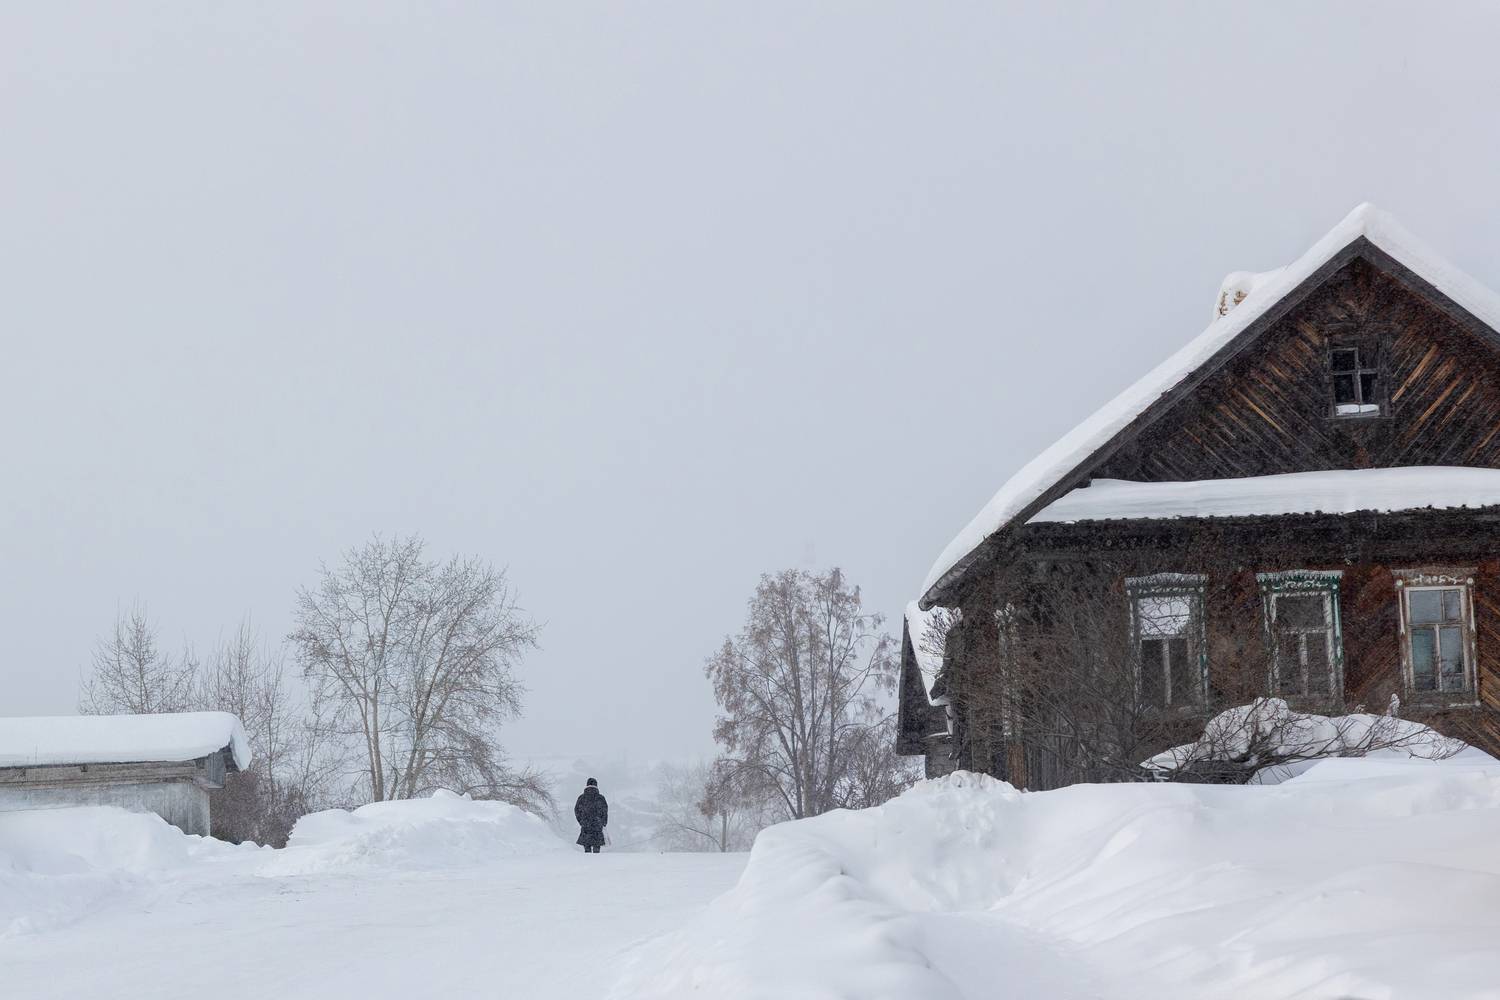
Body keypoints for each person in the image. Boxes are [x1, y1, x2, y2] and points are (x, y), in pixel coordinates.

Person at [574, 777, 608, 853]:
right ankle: (597, 863)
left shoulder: (582, 798)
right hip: (597, 826)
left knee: (587, 848)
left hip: (586, 826)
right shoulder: (600, 798)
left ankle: (587, 863)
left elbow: (576, 810)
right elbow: (605, 811)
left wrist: (581, 821)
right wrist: (603, 822)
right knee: (597, 848)